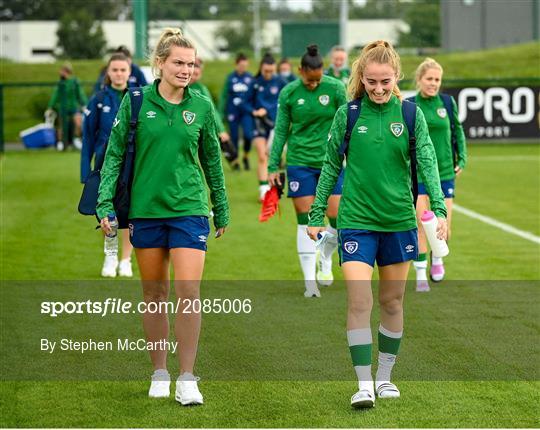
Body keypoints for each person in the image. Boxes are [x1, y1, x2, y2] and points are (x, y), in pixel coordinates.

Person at [307, 40, 447, 408]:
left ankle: (385, 377)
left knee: (392, 301)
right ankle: (363, 384)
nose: (379, 88)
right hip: (356, 222)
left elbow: (428, 164)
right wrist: (316, 211)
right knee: (358, 299)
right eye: (372, 82)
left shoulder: (411, 115)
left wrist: (441, 211)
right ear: (361, 78)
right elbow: (330, 166)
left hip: (399, 222)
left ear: (397, 77)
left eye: (385, 81)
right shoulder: (349, 115)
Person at [97, 28, 229, 405]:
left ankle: (188, 377)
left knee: (189, 293)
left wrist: (220, 204)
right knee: (154, 294)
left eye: (191, 64)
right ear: (160, 64)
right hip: (146, 212)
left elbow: (212, 162)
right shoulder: (136, 101)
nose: (186, 70)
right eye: (179, 63)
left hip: (189, 210)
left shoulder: (201, 105)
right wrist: (104, 202)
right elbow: (114, 155)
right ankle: (159, 372)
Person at [268, 44, 347, 298]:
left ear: (322, 71)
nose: (313, 85)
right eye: (308, 80)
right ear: (300, 71)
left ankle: (325, 257)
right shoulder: (289, 93)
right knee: (306, 221)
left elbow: (348, 123)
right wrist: (273, 165)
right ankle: (309, 282)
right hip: (299, 161)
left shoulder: (336, 88)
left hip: (331, 162)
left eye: (317, 80)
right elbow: (281, 130)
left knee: (337, 217)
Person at [410, 58, 467, 291]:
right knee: (421, 224)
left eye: (437, 80)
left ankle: (438, 258)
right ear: (419, 80)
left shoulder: (447, 102)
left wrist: (461, 157)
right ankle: (421, 274)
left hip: (444, 172)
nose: (433, 83)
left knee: (444, 225)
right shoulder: (410, 105)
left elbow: (458, 131)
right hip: (420, 173)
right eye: (429, 79)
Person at [82, 53, 134, 278]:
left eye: (123, 70)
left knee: (132, 212)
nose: (119, 74)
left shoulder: (138, 97)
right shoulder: (98, 99)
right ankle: (110, 255)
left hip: (132, 163)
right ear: (108, 72)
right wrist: (86, 171)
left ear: (129, 72)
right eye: (115, 70)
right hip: (105, 163)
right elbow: (87, 137)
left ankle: (126, 260)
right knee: (107, 211)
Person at [246, 53, 286, 201]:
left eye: (271, 71)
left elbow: (285, 101)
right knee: (262, 156)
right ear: (261, 69)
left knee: (272, 157)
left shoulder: (281, 82)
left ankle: (272, 187)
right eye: (265, 71)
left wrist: (268, 110)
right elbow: (245, 102)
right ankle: (263, 191)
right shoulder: (254, 83)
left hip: (275, 124)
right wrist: (254, 111)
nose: (268, 74)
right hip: (258, 124)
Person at [189, 57, 231, 155]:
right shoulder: (177, 86)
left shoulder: (201, 89)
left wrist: (221, 130)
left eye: (197, 75)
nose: (194, 77)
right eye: (193, 74)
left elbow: (212, 110)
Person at [220, 53, 254, 170]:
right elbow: (224, 96)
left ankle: (246, 156)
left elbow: (254, 96)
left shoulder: (250, 78)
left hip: (246, 112)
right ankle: (235, 162)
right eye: (241, 65)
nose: (243, 68)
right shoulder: (230, 78)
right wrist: (221, 113)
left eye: (245, 65)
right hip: (233, 111)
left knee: (248, 135)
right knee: (233, 137)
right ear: (236, 64)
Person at [46, 62, 87, 151]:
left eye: (62, 71)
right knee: (61, 125)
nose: (60, 73)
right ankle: (61, 142)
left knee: (78, 122)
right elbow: (55, 95)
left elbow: (80, 94)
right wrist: (50, 107)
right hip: (63, 108)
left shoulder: (74, 82)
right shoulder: (60, 83)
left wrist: (84, 104)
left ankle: (76, 139)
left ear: (66, 71)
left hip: (73, 107)